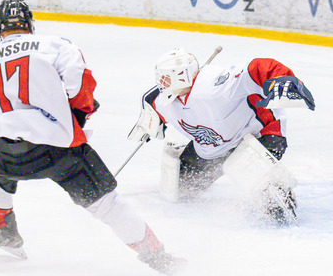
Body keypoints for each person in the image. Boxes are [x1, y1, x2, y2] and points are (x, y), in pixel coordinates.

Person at [0, 0, 184, 276]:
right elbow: (82, 85)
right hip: (60, 152)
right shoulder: (55, 44)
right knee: (109, 206)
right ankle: (158, 256)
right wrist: (80, 115)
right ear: (30, 25)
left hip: (7, 152)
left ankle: (3, 229)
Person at [127, 48, 315, 225]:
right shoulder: (162, 101)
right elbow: (151, 101)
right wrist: (149, 121)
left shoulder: (213, 84)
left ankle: (278, 190)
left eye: (166, 78)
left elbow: (257, 67)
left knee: (274, 207)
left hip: (258, 134)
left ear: (181, 76)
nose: (162, 84)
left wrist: (284, 78)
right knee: (183, 189)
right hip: (213, 146)